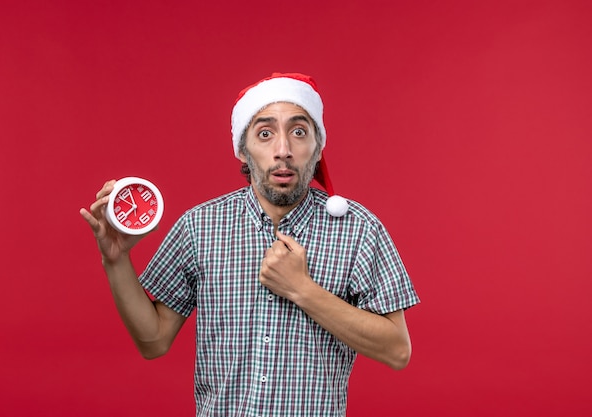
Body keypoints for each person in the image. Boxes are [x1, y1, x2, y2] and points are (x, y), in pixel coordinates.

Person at [80, 72, 419, 417]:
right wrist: (117, 260)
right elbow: (153, 341)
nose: (283, 150)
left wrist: (302, 289)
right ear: (242, 150)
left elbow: (397, 350)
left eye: (299, 132)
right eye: (265, 133)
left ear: (318, 148)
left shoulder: (359, 230)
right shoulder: (200, 227)